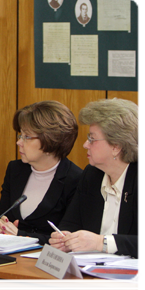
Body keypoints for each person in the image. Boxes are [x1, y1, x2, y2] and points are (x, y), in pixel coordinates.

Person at [49, 98, 142, 258]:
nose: (85, 144)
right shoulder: (92, 175)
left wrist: (102, 243)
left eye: (92, 138)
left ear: (116, 146)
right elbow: (70, 224)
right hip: (92, 274)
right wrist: (64, 238)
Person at [0, 101, 82, 245]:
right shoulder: (15, 170)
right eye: (20, 135)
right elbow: (2, 218)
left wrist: (20, 236)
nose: (19, 142)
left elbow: (65, 239)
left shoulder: (76, 179)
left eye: (27, 137)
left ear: (50, 140)